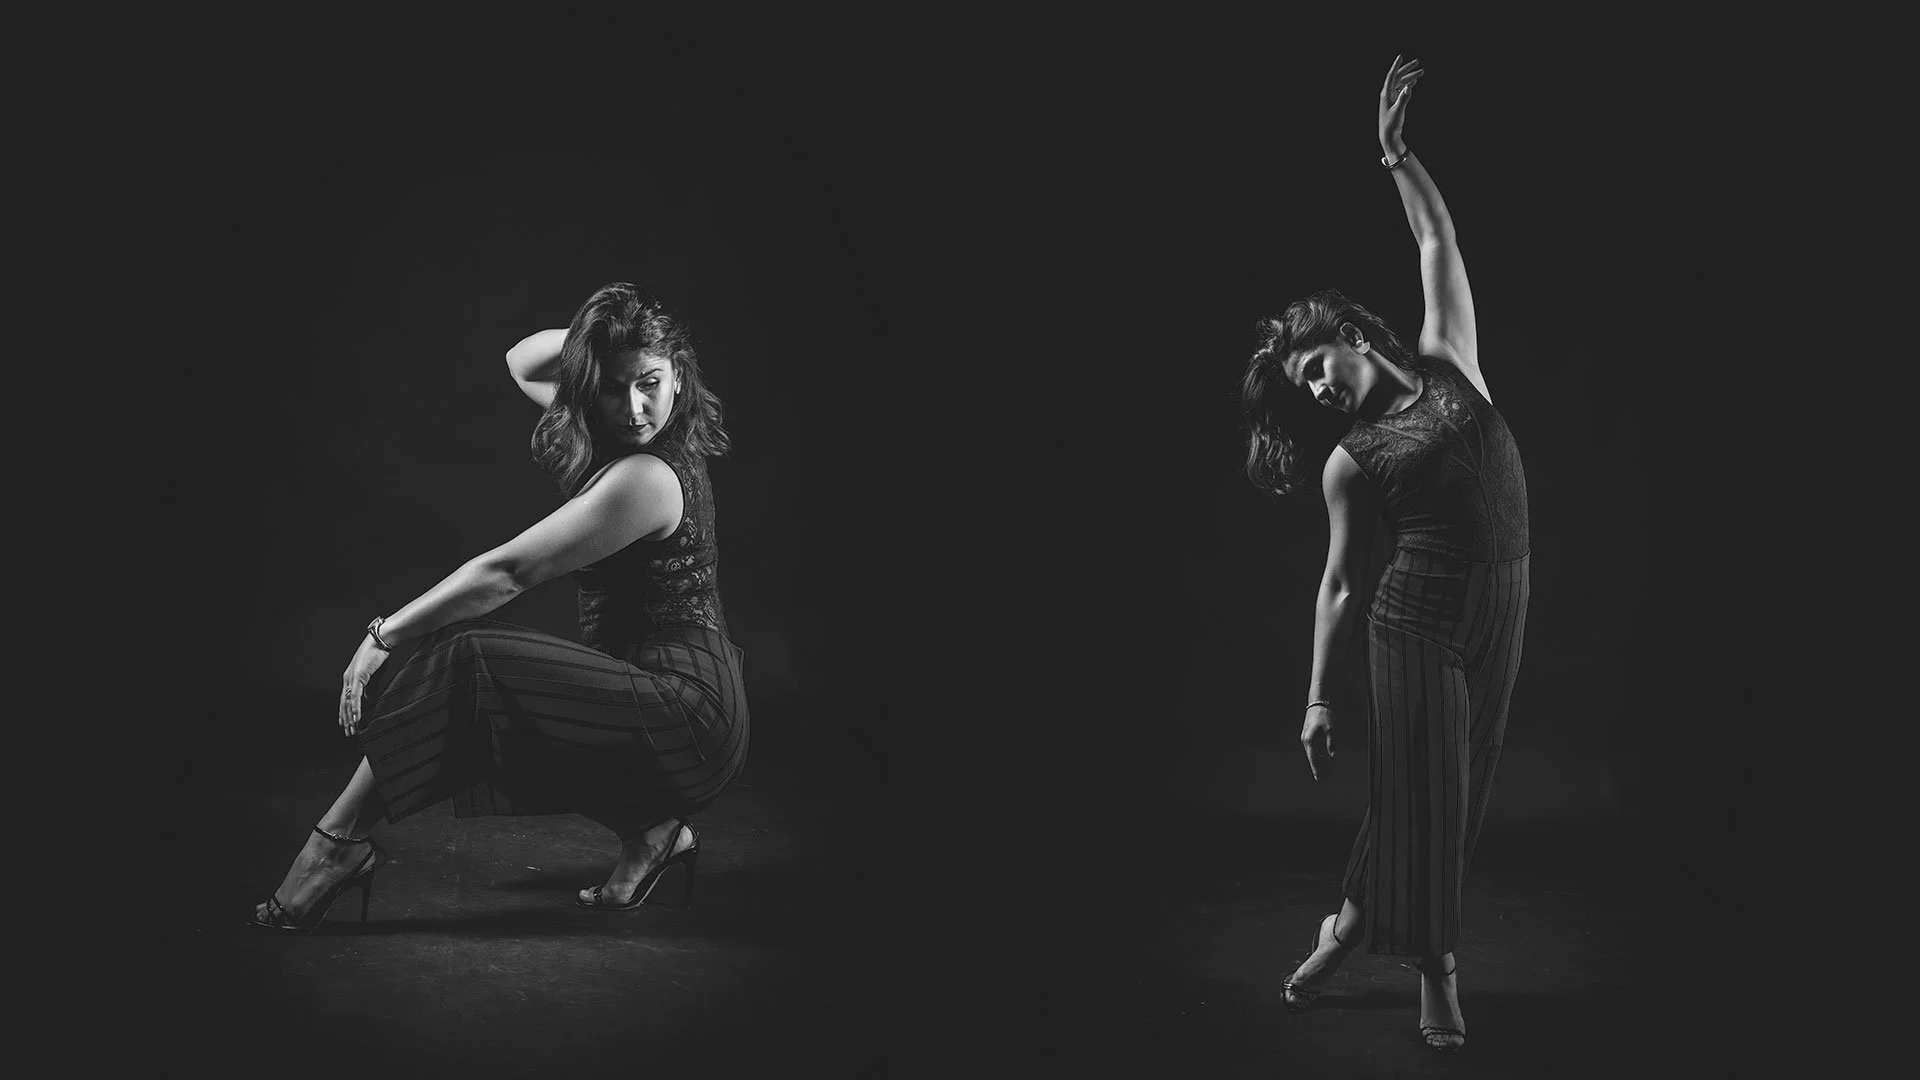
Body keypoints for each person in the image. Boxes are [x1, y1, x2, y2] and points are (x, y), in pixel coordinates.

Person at [250, 282, 751, 933]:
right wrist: (600, 337)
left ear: (679, 376)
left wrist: (383, 636)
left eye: (651, 382)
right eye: (613, 386)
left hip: (689, 713)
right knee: (531, 702)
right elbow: (523, 359)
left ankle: (335, 846)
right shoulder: (623, 431)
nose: (634, 408)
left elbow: (508, 572)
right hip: (659, 690)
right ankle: (653, 832)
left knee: (471, 661)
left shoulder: (646, 477)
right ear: (589, 385)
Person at [1239, 56, 1530, 1053]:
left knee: (1458, 791)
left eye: (1317, 367)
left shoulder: (1450, 355)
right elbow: (1340, 582)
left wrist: (1395, 153)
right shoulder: (1348, 463)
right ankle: (1436, 975)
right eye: (1304, 387)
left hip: (1504, 601)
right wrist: (1318, 697)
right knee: (1433, 799)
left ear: (1352, 337)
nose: (1316, 389)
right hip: (1413, 625)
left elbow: (1437, 237)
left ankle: (1347, 931)